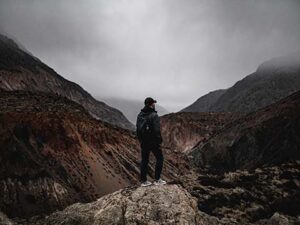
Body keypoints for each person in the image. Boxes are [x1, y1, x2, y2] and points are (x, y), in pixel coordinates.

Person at [136, 97, 167, 187]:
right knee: (160, 158)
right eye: (153, 103)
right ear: (151, 104)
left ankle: (143, 181)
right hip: (153, 142)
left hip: (144, 142)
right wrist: (159, 141)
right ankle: (157, 179)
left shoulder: (140, 115)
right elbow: (157, 130)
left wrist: (141, 140)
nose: (154, 104)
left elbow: (137, 129)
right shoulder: (154, 115)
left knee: (144, 160)